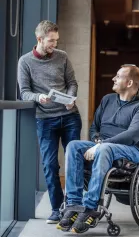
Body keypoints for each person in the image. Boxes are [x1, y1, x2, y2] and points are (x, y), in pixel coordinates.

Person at [57, 65, 139, 234]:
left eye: (118, 76)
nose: (113, 79)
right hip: (103, 146)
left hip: (132, 152)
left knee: (106, 149)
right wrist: (96, 140)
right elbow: (95, 127)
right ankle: (73, 204)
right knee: (74, 146)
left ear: (129, 82)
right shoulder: (108, 100)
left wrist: (101, 145)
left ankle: (90, 207)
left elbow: (132, 135)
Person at [17, 20, 81, 225]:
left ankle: (73, 206)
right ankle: (56, 208)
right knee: (50, 165)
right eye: (51, 41)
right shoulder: (25, 61)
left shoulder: (62, 57)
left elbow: (72, 83)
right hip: (45, 120)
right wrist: (38, 98)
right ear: (39, 39)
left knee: (74, 162)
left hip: (70, 117)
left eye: (56, 40)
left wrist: (71, 98)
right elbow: (25, 92)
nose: (55, 44)